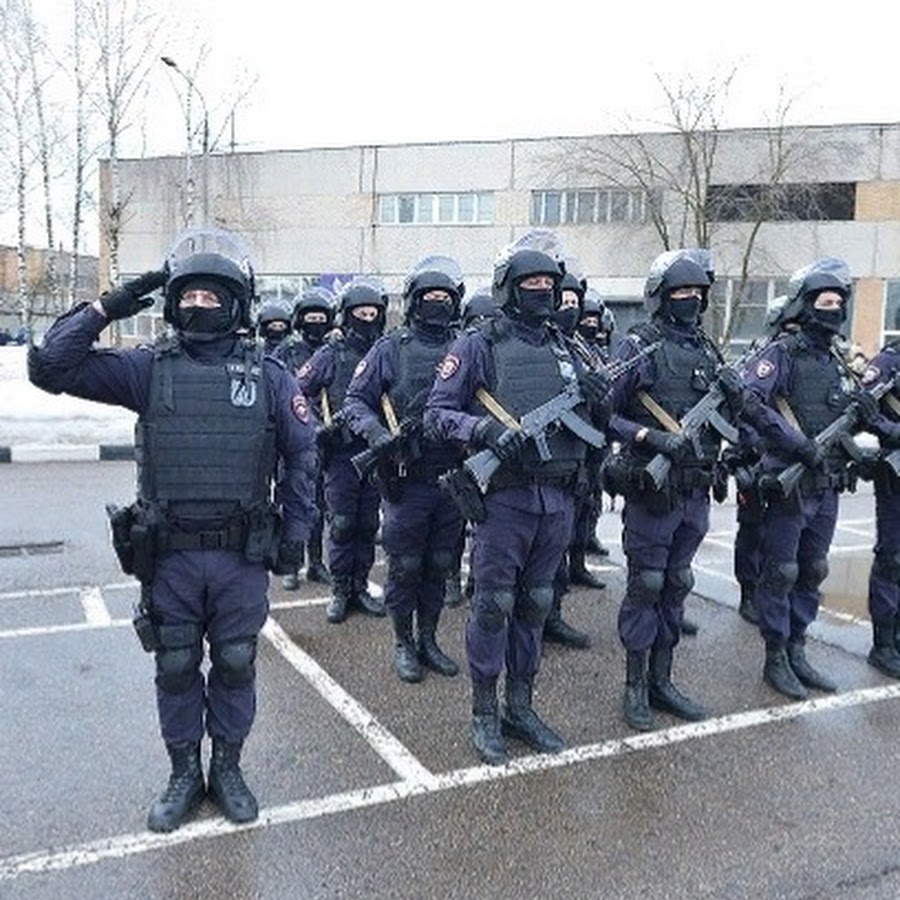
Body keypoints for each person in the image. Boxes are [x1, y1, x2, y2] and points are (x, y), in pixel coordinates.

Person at [27, 227, 318, 832]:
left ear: (237, 305)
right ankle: (184, 773)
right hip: (171, 559)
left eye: (214, 298)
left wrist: (295, 534)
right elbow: (50, 367)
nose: (199, 307)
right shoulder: (147, 371)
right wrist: (111, 304)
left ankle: (229, 770)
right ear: (173, 301)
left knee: (236, 661)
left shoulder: (270, 377)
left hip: (241, 557)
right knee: (177, 665)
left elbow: (303, 456)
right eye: (190, 297)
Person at [425, 231, 610, 765]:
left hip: (558, 499)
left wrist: (600, 401)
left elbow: (600, 423)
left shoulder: (567, 346)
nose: (541, 291)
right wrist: (482, 433)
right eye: (530, 283)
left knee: (535, 605)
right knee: (493, 606)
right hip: (505, 498)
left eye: (548, 284)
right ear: (508, 288)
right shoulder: (477, 345)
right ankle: (485, 711)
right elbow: (437, 414)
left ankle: (521, 705)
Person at [606, 248, 738, 731]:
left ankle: (664, 680)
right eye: (680, 293)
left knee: (677, 584)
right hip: (651, 490)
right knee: (647, 584)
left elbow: (730, 421)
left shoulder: (707, 349)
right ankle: (636, 686)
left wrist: (737, 396)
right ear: (661, 297)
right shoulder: (637, 345)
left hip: (694, 489)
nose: (689, 300)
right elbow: (604, 411)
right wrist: (647, 436)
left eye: (695, 293)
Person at [743, 258, 863, 699]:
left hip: (825, 482)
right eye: (823, 301)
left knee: (813, 568)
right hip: (790, 481)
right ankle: (775, 657)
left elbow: (840, 413)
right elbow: (751, 402)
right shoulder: (781, 354)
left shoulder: (836, 360)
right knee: (781, 570)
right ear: (804, 305)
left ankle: (798, 649)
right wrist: (796, 444)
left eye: (837, 302)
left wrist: (862, 421)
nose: (832, 309)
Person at [344, 257, 466, 683]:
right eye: (430, 297)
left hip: (453, 476)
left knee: (438, 562)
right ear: (414, 302)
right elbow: (355, 402)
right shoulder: (390, 348)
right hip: (406, 477)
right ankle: (403, 643)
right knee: (406, 566)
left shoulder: (467, 346)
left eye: (444, 298)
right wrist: (377, 435)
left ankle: (429, 639)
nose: (437, 304)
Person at [298, 276, 388, 623]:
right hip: (340, 454)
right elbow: (296, 392)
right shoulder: (329, 355)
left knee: (367, 524)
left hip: (377, 452)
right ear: (346, 316)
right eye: (360, 313)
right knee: (342, 524)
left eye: (372, 313)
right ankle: (339, 589)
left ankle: (360, 585)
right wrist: (318, 425)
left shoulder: (386, 351)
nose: (366, 319)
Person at [275, 286, 337, 588]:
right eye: (310, 317)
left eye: (321, 317)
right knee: (296, 501)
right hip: (295, 438)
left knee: (321, 504)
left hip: (329, 438)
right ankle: (292, 565)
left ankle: (316, 562)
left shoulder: (334, 350)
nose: (316, 322)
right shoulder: (286, 351)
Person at [853, 344, 900, 678]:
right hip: (896, 471)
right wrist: (891, 431)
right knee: (893, 558)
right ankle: (883, 644)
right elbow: (861, 410)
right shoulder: (889, 362)